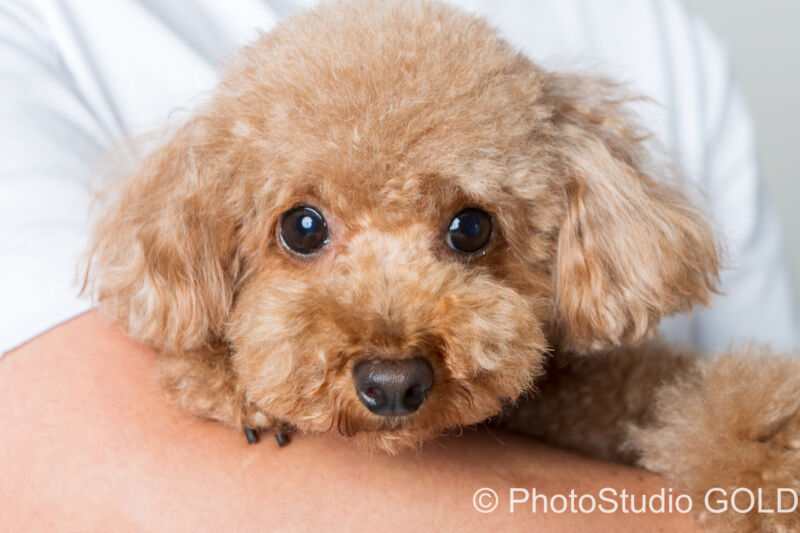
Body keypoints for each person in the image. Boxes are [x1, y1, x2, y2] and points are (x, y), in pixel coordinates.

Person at [0, 0, 795, 530]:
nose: (393, 365)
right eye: (306, 231)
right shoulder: (38, 25)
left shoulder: (655, 22)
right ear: (217, 230)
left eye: (468, 231)